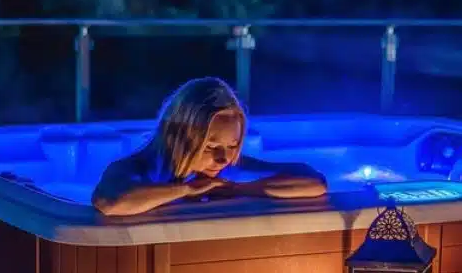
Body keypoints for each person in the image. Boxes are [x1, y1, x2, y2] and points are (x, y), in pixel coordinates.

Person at [91, 77, 328, 216]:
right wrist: (186, 190)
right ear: (179, 138)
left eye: (233, 145)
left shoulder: (227, 171)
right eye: (211, 146)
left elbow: (314, 183)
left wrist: (236, 190)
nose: (224, 158)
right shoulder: (137, 169)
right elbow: (110, 202)